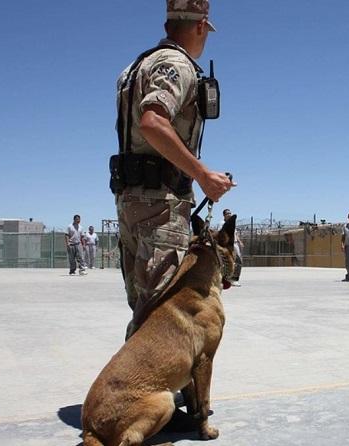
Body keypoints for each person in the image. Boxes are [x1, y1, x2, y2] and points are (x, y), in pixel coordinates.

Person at [112, 0, 234, 338]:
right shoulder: (175, 65)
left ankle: (132, 386)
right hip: (159, 205)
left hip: (132, 199)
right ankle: (141, 387)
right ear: (200, 26)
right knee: (162, 311)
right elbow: (153, 121)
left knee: (145, 307)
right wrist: (203, 174)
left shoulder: (136, 67)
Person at [217, 209, 243, 286]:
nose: (229, 215)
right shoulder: (222, 223)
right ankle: (224, 278)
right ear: (224, 215)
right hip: (226, 244)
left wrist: (239, 241)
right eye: (227, 213)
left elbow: (235, 233)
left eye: (230, 213)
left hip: (234, 243)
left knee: (238, 260)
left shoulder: (232, 224)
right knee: (225, 261)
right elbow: (220, 233)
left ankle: (235, 279)